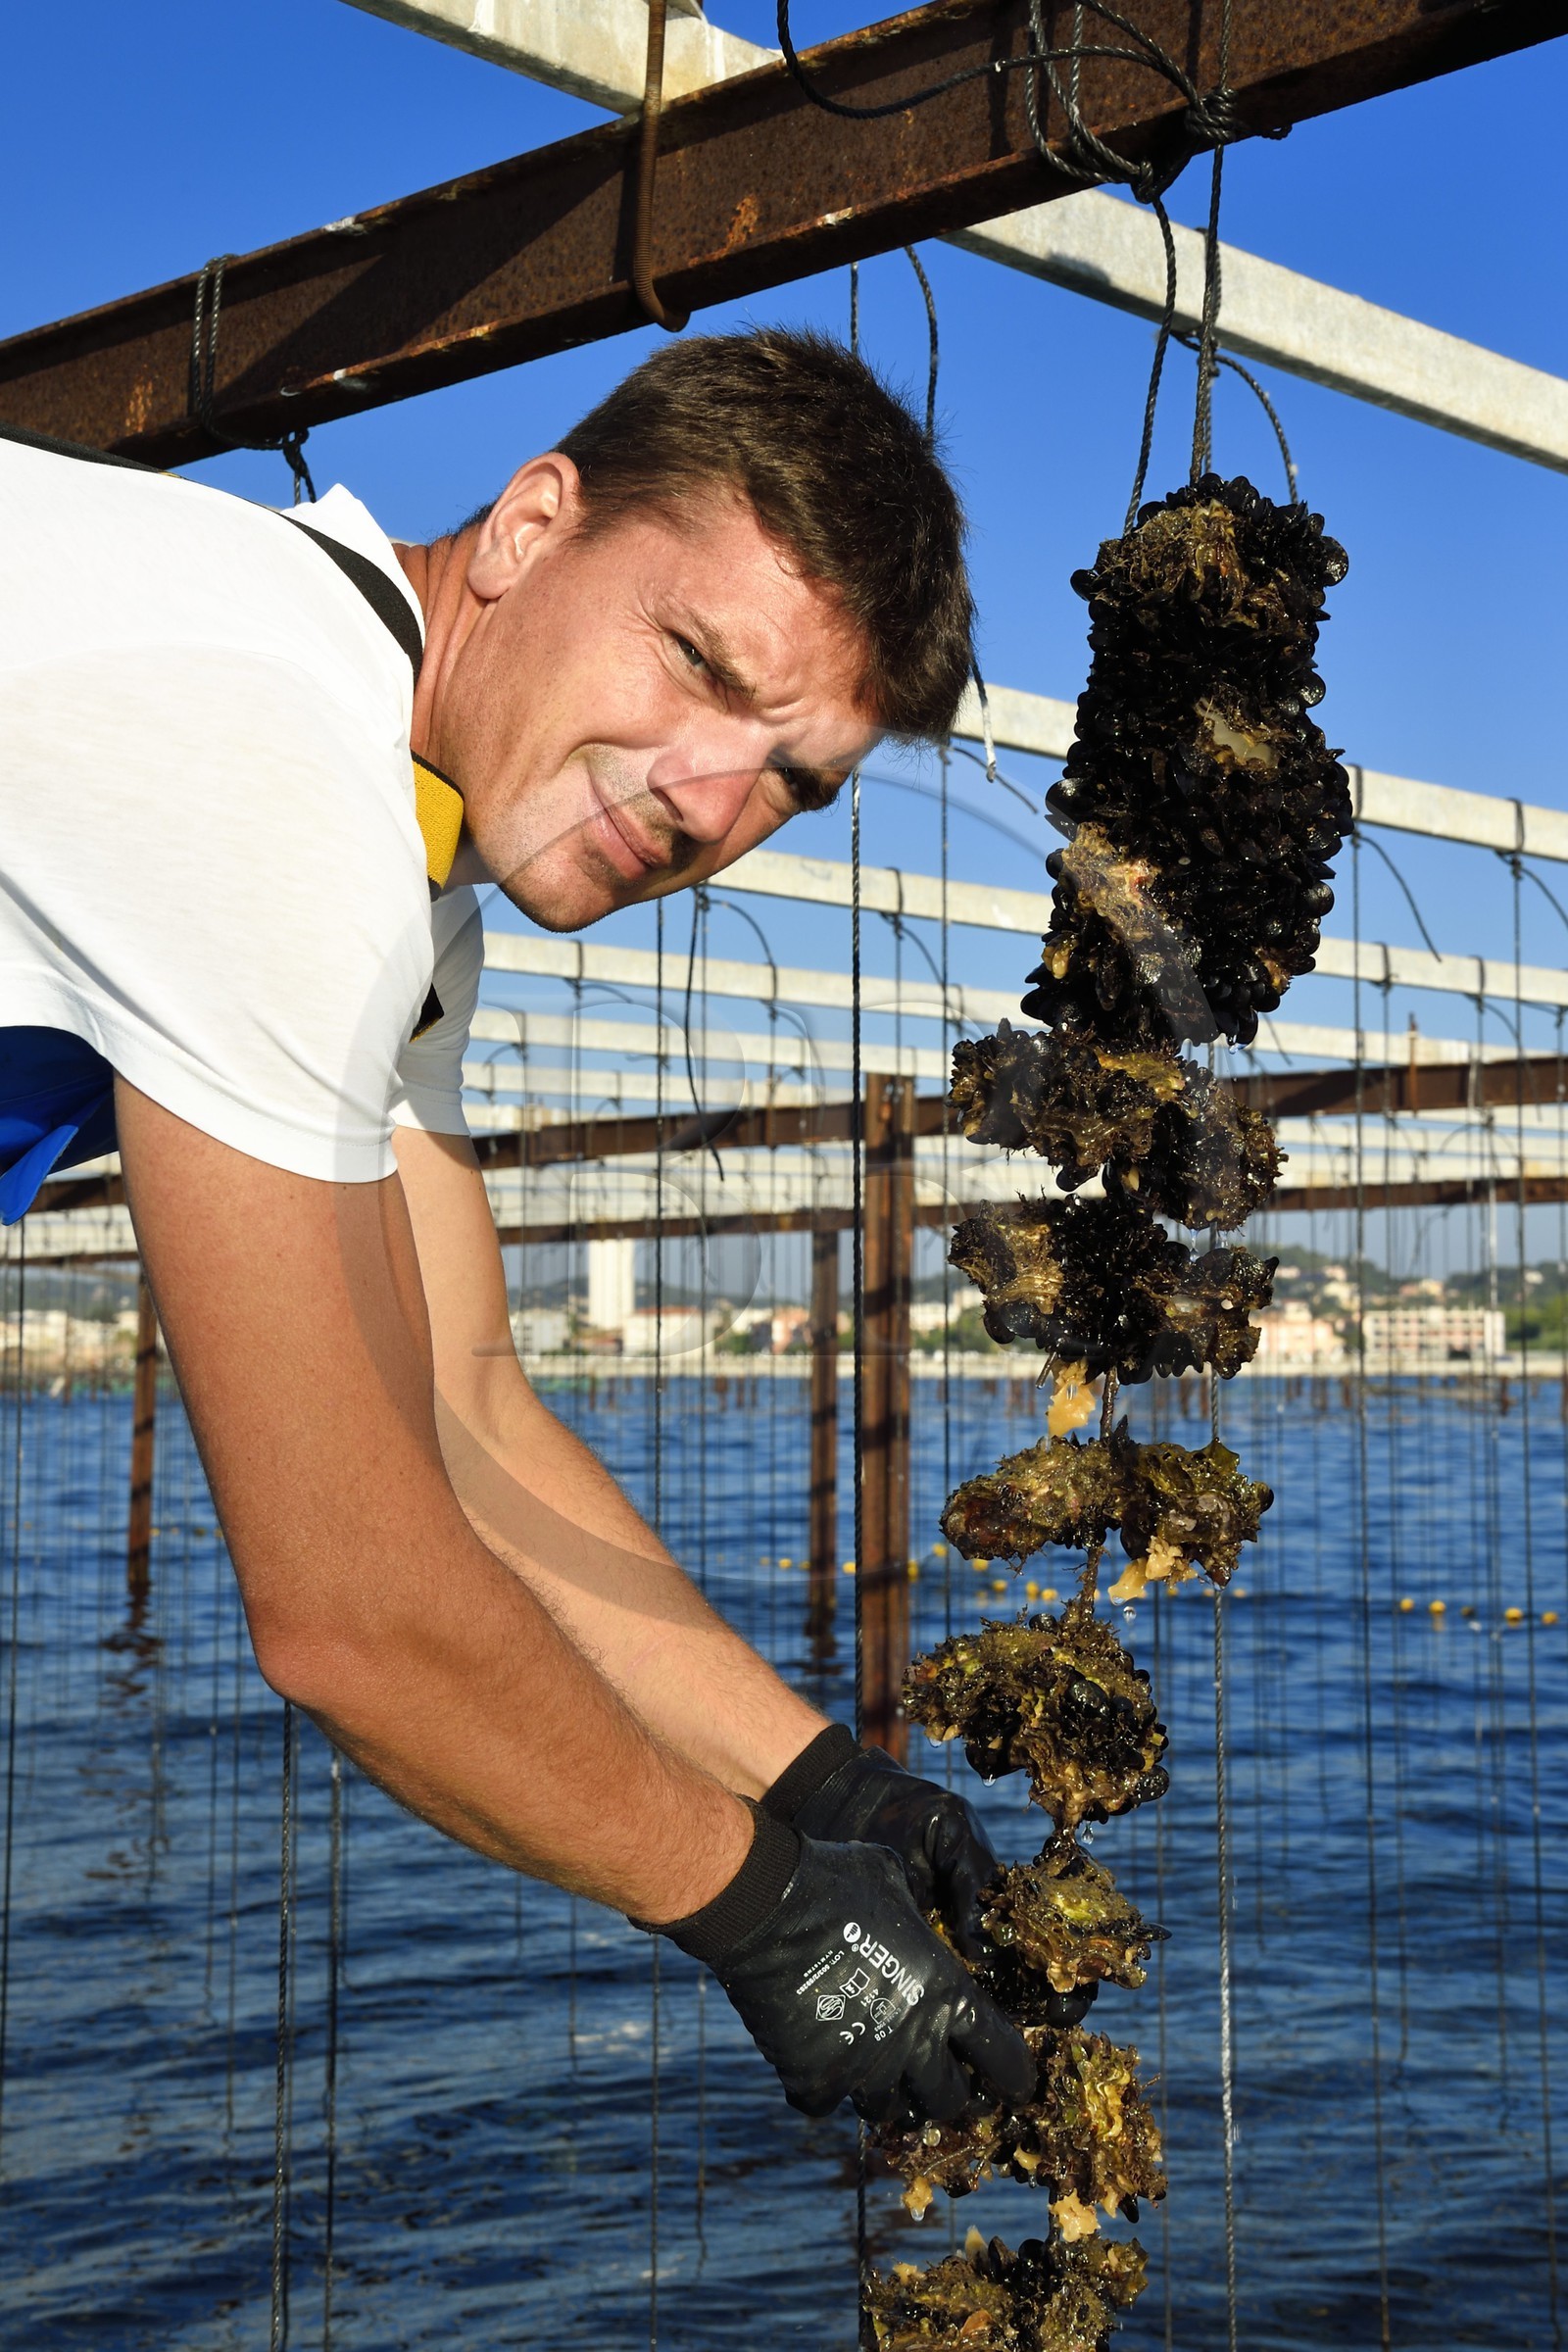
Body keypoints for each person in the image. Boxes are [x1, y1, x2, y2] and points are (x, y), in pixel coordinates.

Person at [0, 328, 1035, 2129]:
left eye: (791, 781)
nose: (707, 802)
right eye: (696, 660)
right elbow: (353, 1613)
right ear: (526, 528)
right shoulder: (273, 756)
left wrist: (826, 1791)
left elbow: (461, 1417)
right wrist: (774, 1918)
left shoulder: (398, 848)